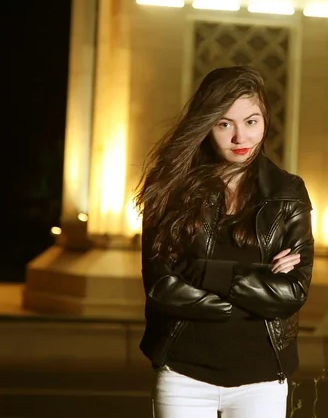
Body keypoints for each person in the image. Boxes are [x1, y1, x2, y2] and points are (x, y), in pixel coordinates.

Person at [134, 65, 315, 418]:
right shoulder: (170, 188)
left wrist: (205, 273)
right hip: (184, 376)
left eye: (251, 121)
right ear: (206, 125)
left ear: (265, 120)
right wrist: (255, 287)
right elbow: (160, 285)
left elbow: (292, 292)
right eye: (224, 124)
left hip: (262, 380)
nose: (240, 138)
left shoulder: (288, 192)